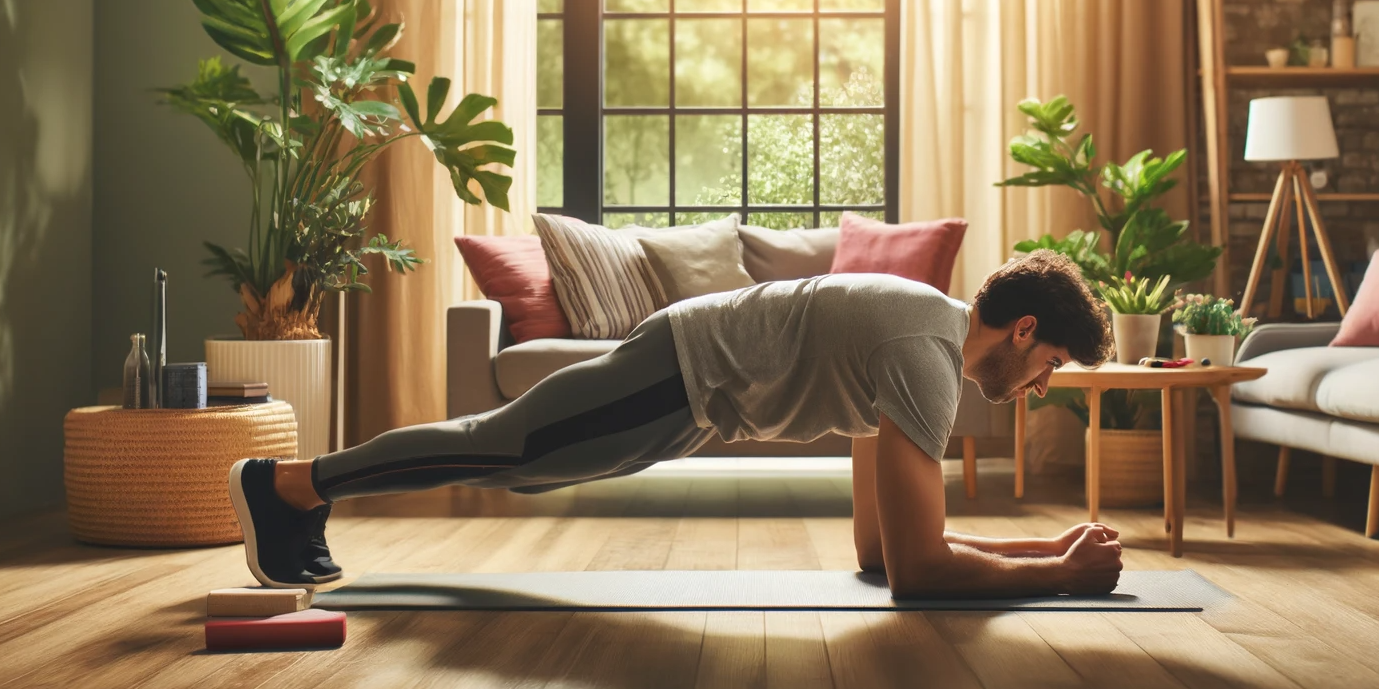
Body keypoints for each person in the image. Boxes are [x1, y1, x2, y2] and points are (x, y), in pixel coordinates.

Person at [229, 248, 1124, 596]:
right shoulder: (925, 358)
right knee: (498, 449)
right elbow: (919, 576)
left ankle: (299, 491)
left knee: (512, 459)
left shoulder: (918, 339)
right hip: (679, 378)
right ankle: (285, 486)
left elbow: (882, 553)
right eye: (1049, 367)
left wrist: (1049, 550)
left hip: (687, 395)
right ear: (1023, 330)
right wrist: (1061, 575)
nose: (1042, 386)